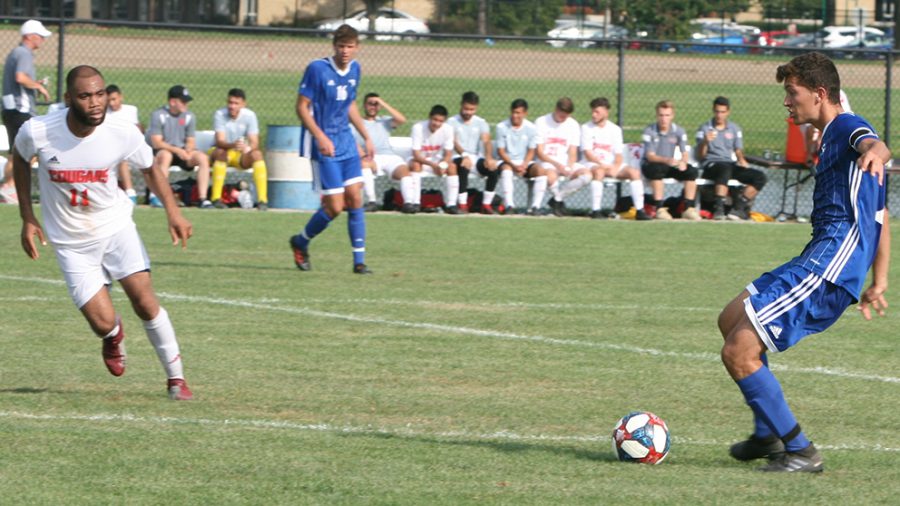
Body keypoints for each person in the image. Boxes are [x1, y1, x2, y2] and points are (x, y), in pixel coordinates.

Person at [718, 52, 891, 473]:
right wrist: (880, 280)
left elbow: (873, 142)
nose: (786, 102)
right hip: (819, 258)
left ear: (819, 93)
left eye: (791, 93)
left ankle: (800, 450)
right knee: (731, 317)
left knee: (739, 351)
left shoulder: (846, 127)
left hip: (828, 266)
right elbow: (881, 218)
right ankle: (768, 433)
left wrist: (878, 152)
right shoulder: (828, 137)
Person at [12, 65, 195, 400]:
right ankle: (113, 336)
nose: (96, 103)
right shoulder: (38, 130)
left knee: (144, 301)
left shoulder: (122, 131)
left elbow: (150, 168)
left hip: (115, 228)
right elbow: (21, 160)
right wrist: (28, 216)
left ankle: (176, 379)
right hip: (70, 243)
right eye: (85, 96)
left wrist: (173, 212)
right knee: (102, 322)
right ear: (68, 99)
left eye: (100, 94)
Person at [292, 24, 373, 274]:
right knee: (335, 206)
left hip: (346, 141)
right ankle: (300, 241)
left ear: (357, 47)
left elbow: (350, 104)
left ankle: (359, 262)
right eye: (341, 46)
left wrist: (366, 136)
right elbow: (301, 107)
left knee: (356, 197)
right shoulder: (317, 69)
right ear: (334, 46)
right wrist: (320, 136)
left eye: (350, 46)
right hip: (323, 145)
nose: (345, 51)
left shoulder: (356, 69)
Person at [2, 19, 52, 205]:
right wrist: (40, 88)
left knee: (14, 153)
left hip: (11, 109)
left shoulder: (17, 53)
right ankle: (9, 186)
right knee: (29, 150)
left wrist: (35, 84)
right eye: (40, 36)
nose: (42, 40)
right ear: (30, 36)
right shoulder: (24, 53)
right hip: (20, 110)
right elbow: (20, 77)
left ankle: (8, 187)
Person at [695, 96, 767, 221]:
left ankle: (739, 207)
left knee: (760, 177)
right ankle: (719, 208)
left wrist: (741, 159)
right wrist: (705, 142)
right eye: (717, 111)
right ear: (713, 110)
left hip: (730, 164)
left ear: (728, 112)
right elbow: (700, 156)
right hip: (711, 165)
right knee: (724, 168)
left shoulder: (734, 129)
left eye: (722, 112)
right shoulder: (705, 128)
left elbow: (737, 150)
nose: (719, 115)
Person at [579, 97, 650, 220]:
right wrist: (602, 164)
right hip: (592, 163)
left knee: (634, 173)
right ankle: (596, 210)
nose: (594, 115)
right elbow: (588, 154)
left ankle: (639, 210)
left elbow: (618, 154)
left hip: (611, 165)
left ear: (606, 112)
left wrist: (616, 167)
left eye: (597, 112)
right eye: (593, 111)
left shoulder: (615, 130)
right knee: (599, 172)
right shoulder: (586, 128)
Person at [147, 85, 212, 208]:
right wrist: (176, 150)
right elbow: (157, 142)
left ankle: (203, 199)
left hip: (181, 153)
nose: (186, 104)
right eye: (183, 101)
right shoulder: (158, 115)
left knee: (202, 158)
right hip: (163, 151)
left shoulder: (189, 116)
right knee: (166, 156)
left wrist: (188, 149)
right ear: (172, 102)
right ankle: (158, 196)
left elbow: (191, 140)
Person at [353, 92, 416, 213]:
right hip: (371, 157)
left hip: (389, 156)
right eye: (370, 104)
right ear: (364, 106)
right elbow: (352, 142)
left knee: (404, 171)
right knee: (364, 164)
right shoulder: (358, 123)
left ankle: (408, 203)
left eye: (376, 104)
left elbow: (401, 119)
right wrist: (362, 155)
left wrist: (382, 103)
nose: (373, 107)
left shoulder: (384, 121)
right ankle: (371, 201)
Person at [640, 100, 700, 221]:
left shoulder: (679, 131)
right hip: (652, 164)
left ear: (672, 116)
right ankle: (659, 209)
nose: (664, 119)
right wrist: (667, 160)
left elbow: (684, 152)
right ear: (657, 115)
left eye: (667, 115)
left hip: (669, 164)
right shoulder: (649, 131)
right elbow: (650, 156)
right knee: (656, 171)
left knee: (691, 172)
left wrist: (683, 162)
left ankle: (688, 209)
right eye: (661, 115)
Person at [210, 88, 268, 211]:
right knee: (221, 153)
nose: (232, 106)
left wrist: (247, 148)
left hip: (240, 155)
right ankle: (216, 198)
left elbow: (255, 142)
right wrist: (233, 145)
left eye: (236, 103)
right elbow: (219, 141)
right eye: (230, 103)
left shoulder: (250, 116)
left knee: (257, 154)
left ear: (243, 104)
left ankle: (263, 200)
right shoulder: (220, 114)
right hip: (223, 152)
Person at [447, 91, 499, 214]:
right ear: (461, 105)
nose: (468, 112)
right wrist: (464, 155)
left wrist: (488, 157)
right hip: (457, 156)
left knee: (493, 169)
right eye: (466, 109)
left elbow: (486, 141)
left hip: (475, 158)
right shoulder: (451, 122)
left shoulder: (481, 122)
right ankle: (463, 204)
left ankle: (486, 205)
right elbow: (453, 142)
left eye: (472, 109)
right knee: (464, 165)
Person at [536, 97, 584, 217]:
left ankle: (557, 199)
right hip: (547, 161)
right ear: (556, 109)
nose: (563, 119)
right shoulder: (541, 122)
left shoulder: (573, 125)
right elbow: (540, 153)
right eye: (561, 115)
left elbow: (573, 151)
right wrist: (558, 165)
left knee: (586, 175)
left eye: (566, 116)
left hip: (564, 162)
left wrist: (569, 166)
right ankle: (559, 204)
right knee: (551, 176)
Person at [408, 105, 456, 213]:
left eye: (440, 121)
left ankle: (451, 204)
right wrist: (433, 165)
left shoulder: (448, 129)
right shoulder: (418, 128)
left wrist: (442, 165)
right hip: (421, 161)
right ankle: (416, 203)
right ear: (429, 117)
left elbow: (448, 153)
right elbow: (416, 154)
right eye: (435, 120)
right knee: (416, 165)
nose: (437, 124)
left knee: (452, 167)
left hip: (436, 162)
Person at [495, 98, 538, 214]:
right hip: (507, 161)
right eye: (513, 112)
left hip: (524, 162)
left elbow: (531, 150)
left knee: (540, 171)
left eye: (518, 113)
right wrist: (514, 166)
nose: (515, 116)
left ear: (525, 113)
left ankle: (535, 207)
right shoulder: (501, 127)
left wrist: (524, 165)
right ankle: (509, 205)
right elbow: (501, 151)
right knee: (506, 170)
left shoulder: (531, 128)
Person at [105, 84, 141, 204]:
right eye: (108, 100)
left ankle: (153, 195)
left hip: (131, 147)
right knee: (122, 159)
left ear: (121, 97)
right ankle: (130, 193)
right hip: (112, 149)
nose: (111, 103)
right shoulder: (104, 113)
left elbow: (137, 131)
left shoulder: (131, 110)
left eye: (114, 99)